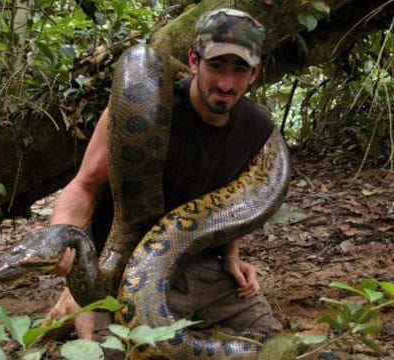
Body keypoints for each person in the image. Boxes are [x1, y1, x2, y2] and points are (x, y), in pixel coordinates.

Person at [47, 8, 283, 339]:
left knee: (272, 343)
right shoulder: (136, 109)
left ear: (254, 73)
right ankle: (83, 310)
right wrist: (60, 237)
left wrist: (232, 255)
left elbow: (227, 199)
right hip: (123, 268)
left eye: (239, 70)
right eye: (216, 66)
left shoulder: (256, 129)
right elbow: (84, 187)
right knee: (119, 352)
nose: (226, 84)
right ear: (193, 60)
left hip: (198, 266)